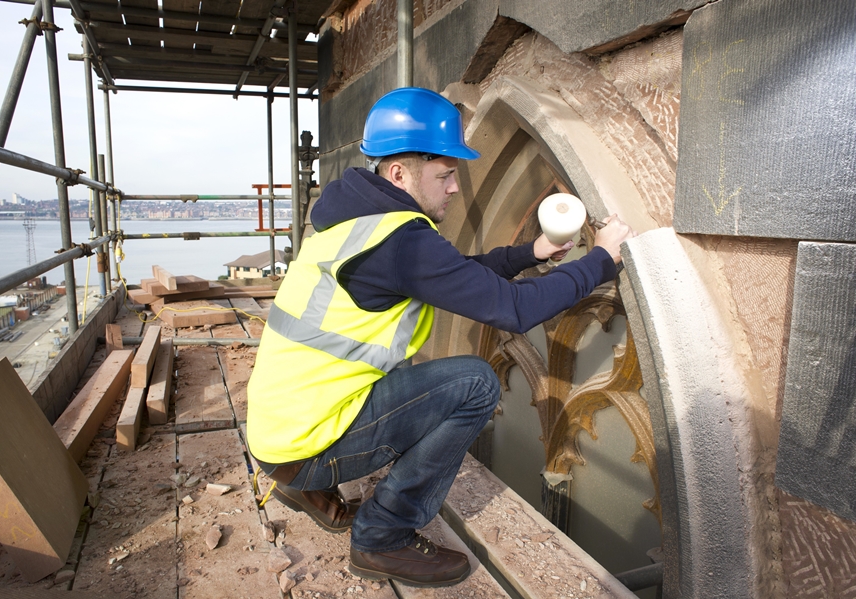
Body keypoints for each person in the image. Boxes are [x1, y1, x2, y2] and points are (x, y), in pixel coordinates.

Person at [246, 87, 635, 588]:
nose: (455, 187)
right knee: (475, 383)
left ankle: (304, 486)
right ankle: (382, 536)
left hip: (278, 433)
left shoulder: (351, 221)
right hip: (305, 444)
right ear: (399, 174)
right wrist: (601, 259)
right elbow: (514, 310)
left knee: (450, 381)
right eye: (446, 174)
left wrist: (529, 252)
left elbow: (454, 274)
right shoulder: (400, 239)